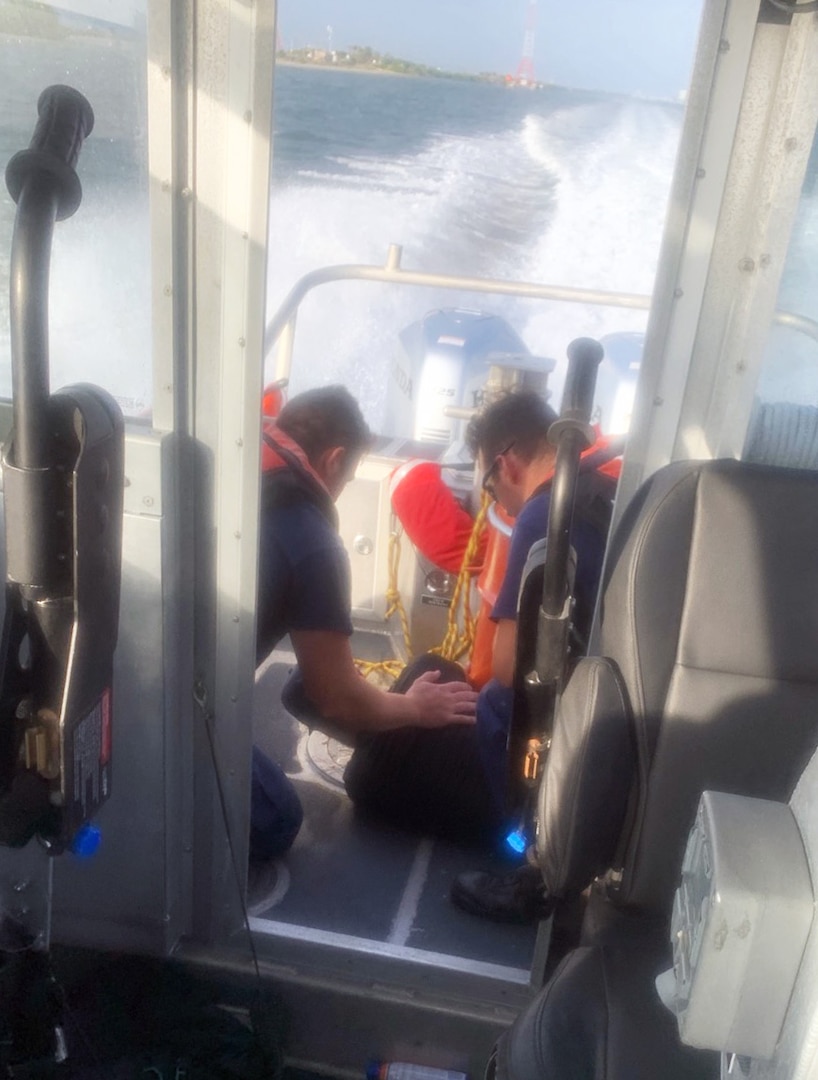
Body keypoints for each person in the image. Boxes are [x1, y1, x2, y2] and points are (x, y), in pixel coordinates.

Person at [251, 385, 480, 879]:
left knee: (299, 686)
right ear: (334, 460)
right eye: (350, 476)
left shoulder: (240, 466)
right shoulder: (312, 541)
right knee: (277, 822)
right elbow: (334, 698)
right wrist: (417, 709)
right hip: (173, 705)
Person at [447, 389, 611, 922]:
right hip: (618, 683)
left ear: (507, 464)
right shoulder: (603, 488)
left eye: (491, 487)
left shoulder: (545, 514)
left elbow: (505, 667)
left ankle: (537, 872)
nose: (496, 502)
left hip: (586, 714)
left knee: (497, 705)